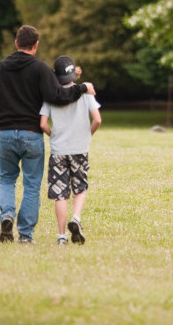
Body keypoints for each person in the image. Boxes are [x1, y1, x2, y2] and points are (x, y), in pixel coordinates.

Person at [0, 25, 96, 244]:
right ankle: (25, 235)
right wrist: (82, 88)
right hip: (32, 134)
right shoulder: (40, 69)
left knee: (6, 179)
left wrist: (7, 107)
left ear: (16, 43)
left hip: (5, 134)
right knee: (31, 184)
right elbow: (57, 95)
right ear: (36, 45)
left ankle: (6, 215)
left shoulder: (0, 67)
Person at [39, 56, 101, 245]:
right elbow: (97, 119)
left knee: (60, 193)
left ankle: (61, 236)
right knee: (80, 188)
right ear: (74, 73)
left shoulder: (52, 95)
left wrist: (53, 136)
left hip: (59, 150)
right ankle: (76, 218)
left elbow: (42, 123)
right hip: (79, 148)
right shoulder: (86, 93)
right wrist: (87, 135)